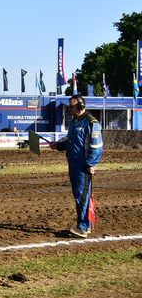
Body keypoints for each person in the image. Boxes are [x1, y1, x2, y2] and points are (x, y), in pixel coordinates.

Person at [49, 95, 103, 238]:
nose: (69, 109)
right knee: (78, 196)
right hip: (72, 165)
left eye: (71, 107)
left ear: (80, 106)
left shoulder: (91, 123)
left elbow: (97, 147)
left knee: (82, 196)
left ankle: (82, 228)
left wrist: (90, 164)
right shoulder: (74, 122)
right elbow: (71, 142)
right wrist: (59, 146)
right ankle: (87, 225)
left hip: (83, 167)